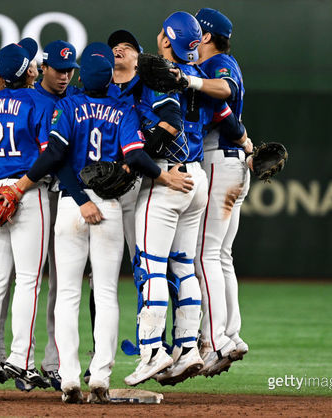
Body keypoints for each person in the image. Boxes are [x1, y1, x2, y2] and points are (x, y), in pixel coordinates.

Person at [4, 42, 193, 403]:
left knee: (67, 296)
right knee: (106, 293)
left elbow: (56, 157)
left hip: (71, 209)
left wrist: (73, 197)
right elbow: (136, 155)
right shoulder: (122, 109)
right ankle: (101, 377)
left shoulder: (67, 106)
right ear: (109, 79)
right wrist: (163, 177)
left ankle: (70, 378)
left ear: (79, 78)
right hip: (106, 207)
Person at [124, 11, 251, 387]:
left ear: (165, 38)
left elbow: (169, 121)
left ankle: (152, 351)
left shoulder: (161, 76)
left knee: (152, 265)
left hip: (168, 174)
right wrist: (246, 143)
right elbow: (227, 118)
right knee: (183, 264)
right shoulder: (201, 78)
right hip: (196, 175)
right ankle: (188, 347)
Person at [0, 38, 52, 390]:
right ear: (26, 71)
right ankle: (21, 357)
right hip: (28, 191)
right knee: (29, 281)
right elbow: (50, 154)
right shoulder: (38, 101)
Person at [191, 8, 251, 377]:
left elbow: (224, 90)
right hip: (233, 163)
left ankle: (215, 341)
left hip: (219, 162)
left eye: (198, 31)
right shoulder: (221, 61)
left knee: (205, 255)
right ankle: (232, 334)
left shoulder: (219, 63)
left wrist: (189, 82)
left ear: (208, 37)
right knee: (221, 255)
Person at [35, 40, 81, 390]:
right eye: (58, 69)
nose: (64, 75)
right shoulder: (31, 99)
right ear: (43, 67)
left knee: (60, 284)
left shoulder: (74, 101)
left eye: (69, 70)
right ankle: (10, 358)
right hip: (35, 193)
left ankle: (53, 362)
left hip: (62, 196)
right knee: (22, 281)